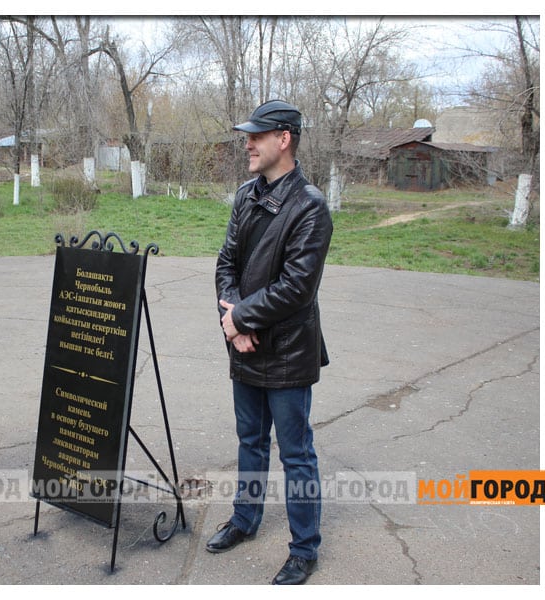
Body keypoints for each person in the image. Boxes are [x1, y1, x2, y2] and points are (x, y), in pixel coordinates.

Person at [208, 100, 333, 584]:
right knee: (250, 440)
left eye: (257, 136)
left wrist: (239, 318)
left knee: (296, 453)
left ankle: (304, 549)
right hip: (244, 344)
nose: (248, 144)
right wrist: (235, 324)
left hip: (288, 351)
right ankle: (245, 519)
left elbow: (296, 287)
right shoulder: (246, 195)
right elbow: (226, 264)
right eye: (248, 136)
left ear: (284, 139)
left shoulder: (310, 206)